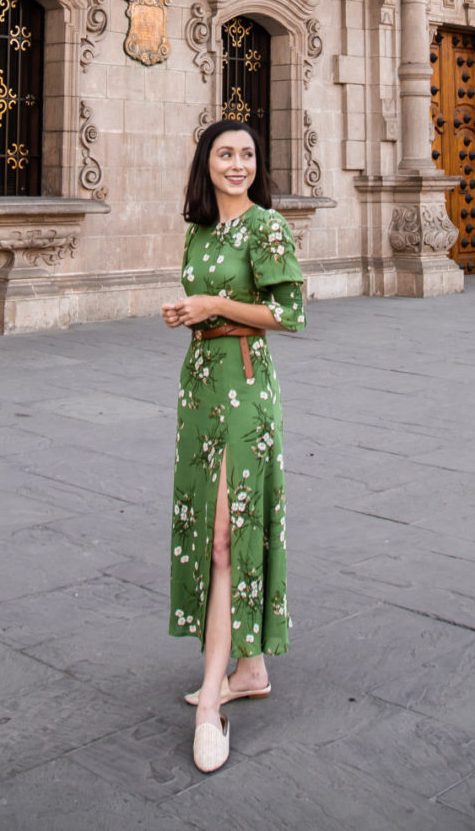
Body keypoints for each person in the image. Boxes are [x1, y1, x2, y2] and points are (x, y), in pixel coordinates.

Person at [161, 119, 306, 774]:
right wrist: (189, 311)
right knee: (211, 529)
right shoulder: (198, 230)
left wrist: (213, 302)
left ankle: (209, 709)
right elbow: (207, 302)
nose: (238, 163)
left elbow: (289, 313)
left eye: (247, 154)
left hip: (248, 390)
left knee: (224, 536)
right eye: (226, 153)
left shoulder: (267, 227)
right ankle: (250, 669)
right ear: (207, 162)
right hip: (201, 388)